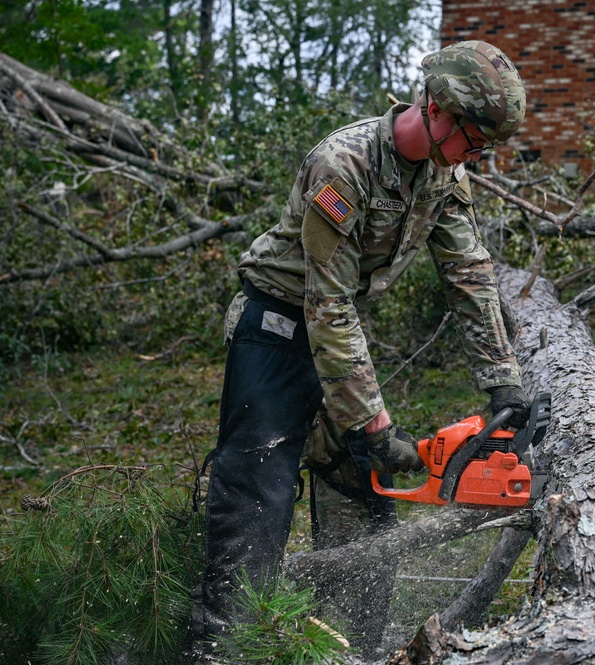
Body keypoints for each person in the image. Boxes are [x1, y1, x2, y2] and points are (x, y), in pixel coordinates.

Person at [184, 40, 532, 662]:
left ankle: (351, 649)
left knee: (364, 493)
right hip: (277, 327)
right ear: (437, 110)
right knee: (259, 492)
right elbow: (327, 305)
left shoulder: (445, 174)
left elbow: (468, 274)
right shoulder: (342, 165)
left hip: (335, 337)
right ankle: (219, 648)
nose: (476, 157)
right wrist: (372, 420)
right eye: (474, 142)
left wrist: (504, 381)